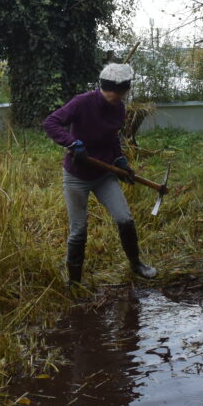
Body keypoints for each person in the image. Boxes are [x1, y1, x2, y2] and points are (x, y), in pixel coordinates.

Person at [43, 62, 157, 286]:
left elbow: (112, 137)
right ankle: (74, 282)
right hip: (77, 176)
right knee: (79, 231)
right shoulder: (82, 103)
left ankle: (136, 264)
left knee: (125, 219)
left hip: (104, 174)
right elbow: (51, 123)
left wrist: (120, 160)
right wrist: (72, 142)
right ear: (123, 88)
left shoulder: (118, 108)